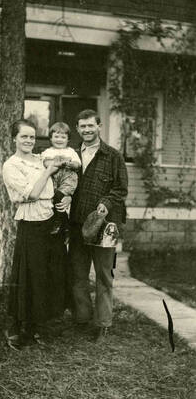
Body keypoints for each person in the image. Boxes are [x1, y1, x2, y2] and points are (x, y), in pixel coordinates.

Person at [2, 119, 70, 350]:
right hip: (31, 222)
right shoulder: (12, 165)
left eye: (32, 137)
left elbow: (60, 181)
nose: (29, 141)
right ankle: (20, 327)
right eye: (24, 137)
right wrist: (49, 171)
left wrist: (66, 197)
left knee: (48, 274)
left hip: (51, 218)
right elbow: (31, 193)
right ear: (14, 139)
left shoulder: (41, 159)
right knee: (29, 275)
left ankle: (40, 325)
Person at [69, 109, 128, 343]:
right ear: (77, 129)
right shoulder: (72, 156)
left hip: (105, 226)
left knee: (104, 275)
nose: (86, 130)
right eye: (82, 126)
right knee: (77, 275)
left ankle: (103, 325)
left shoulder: (113, 156)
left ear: (99, 126)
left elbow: (121, 189)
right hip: (76, 225)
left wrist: (105, 203)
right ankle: (82, 320)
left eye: (90, 126)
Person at [42, 122, 81, 240]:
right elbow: (45, 162)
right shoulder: (48, 152)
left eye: (63, 137)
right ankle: (63, 222)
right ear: (51, 138)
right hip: (53, 180)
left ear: (68, 139)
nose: (59, 139)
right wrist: (57, 162)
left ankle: (61, 222)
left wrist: (70, 164)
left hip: (67, 179)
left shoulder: (70, 151)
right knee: (54, 199)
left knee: (59, 196)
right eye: (56, 136)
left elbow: (78, 164)